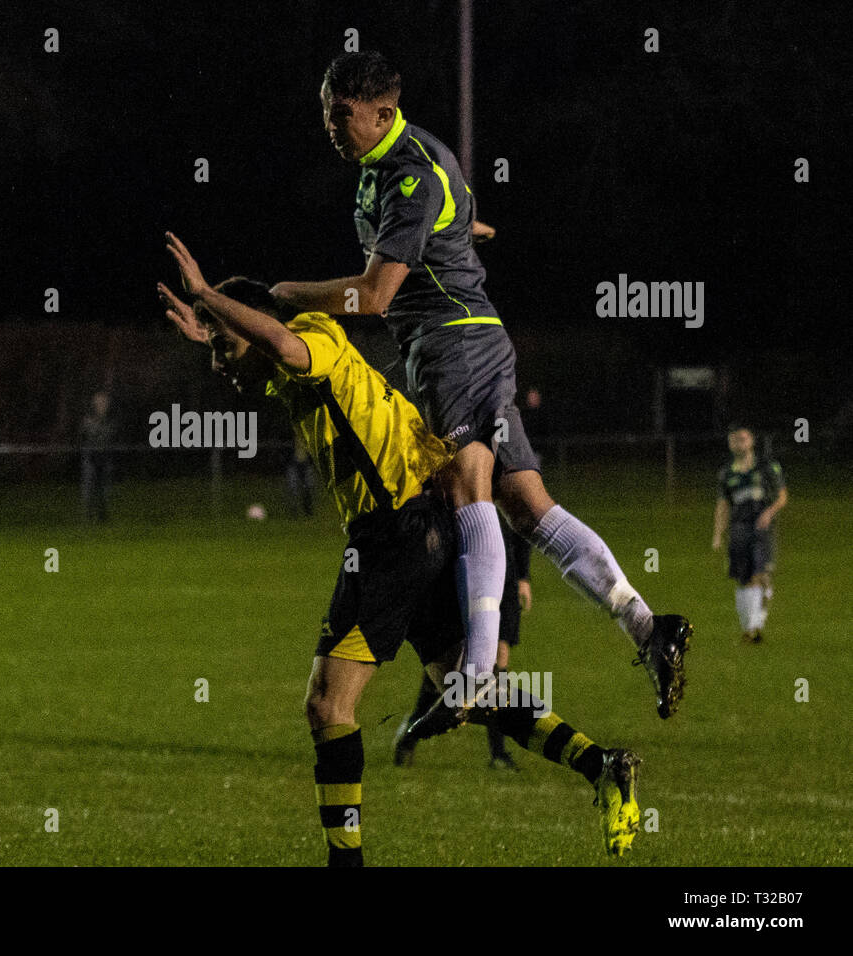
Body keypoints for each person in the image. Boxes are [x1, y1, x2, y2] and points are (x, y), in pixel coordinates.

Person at [158, 232, 642, 864]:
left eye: (224, 348)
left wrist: (205, 295)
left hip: (393, 537)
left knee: (328, 704)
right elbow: (264, 351)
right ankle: (602, 765)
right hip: (425, 526)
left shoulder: (313, 337)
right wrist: (212, 330)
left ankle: (346, 861)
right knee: (470, 685)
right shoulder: (287, 366)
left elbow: (275, 340)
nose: (220, 366)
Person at [266, 50, 689, 727]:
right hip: (465, 340)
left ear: (382, 113)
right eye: (326, 113)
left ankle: (473, 678)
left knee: (470, 490)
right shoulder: (391, 168)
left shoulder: (407, 172)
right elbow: (436, 227)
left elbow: (374, 296)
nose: (330, 126)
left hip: (452, 345)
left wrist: (288, 295)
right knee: (526, 502)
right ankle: (646, 627)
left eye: (341, 116)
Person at [395, 511, 532, 770]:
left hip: (505, 577)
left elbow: (522, 519)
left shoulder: (502, 475)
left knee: (497, 664)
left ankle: (498, 753)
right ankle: (412, 731)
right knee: (451, 673)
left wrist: (523, 575)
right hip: (470, 572)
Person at [713, 426, 787, 643]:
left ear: (752, 441)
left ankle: (752, 628)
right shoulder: (727, 473)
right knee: (743, 579)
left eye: (743, 438)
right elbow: (723, 505)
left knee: (758, 575)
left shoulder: (767, 467)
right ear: (730, 444)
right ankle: (750, 625)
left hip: (762, 530)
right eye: (735, 439)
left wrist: (769, 512)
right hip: (738, 530)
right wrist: (717, 534)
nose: (739, 442)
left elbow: (782, 497)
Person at [79, 391, 115, 522]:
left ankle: (102, 515)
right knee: (89, 488)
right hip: (90, 457)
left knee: (104, 488)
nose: (102, 405)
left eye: (104, 403)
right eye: (99, 403)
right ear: (94, 404)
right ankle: (88, 515)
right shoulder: (87, 421)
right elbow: (83, 437)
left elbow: (111, 437)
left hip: (105, 457)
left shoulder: (110, 421)